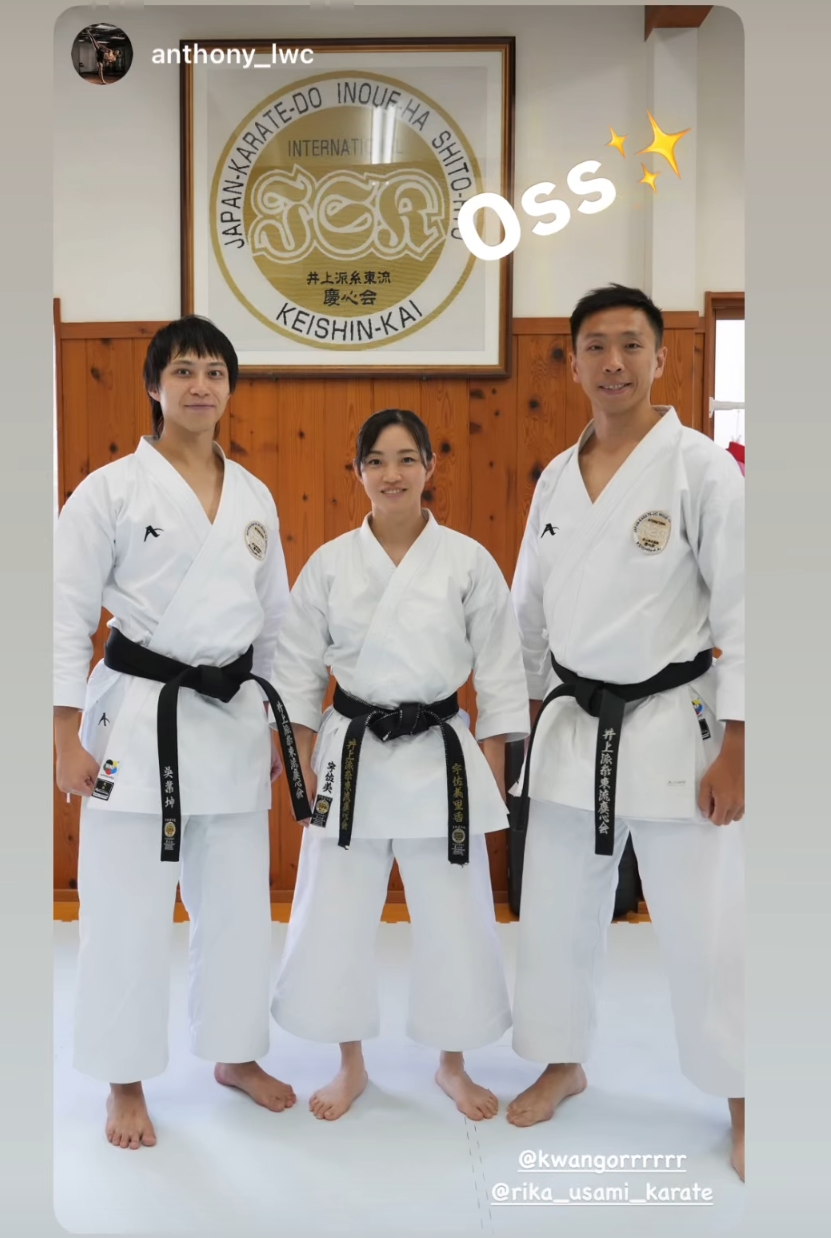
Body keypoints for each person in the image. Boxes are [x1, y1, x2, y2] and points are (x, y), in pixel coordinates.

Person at [507, 285, 745, 1181]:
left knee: (706, 922)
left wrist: (741, 745)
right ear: (572, 362)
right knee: (557, 911)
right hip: (575, 725)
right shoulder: (555, 478)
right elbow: (528, 611)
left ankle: (746, 1094)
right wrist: (523, 717)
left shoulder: (700, 469)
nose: (614, 363)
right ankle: (561, 1059)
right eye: (596, 347)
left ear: (661, 358)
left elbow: (748, 610)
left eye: (631, 345)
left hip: (676, 722)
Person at [53, 315, 308, 1149]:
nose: (201, 386)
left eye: (215, 372)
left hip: (230, 720)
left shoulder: (255, 497)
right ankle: (124, 1079)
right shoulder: (110, 491)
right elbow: (63, 614)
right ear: (154, 387)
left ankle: (234, 1054)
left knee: (235, 904)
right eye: (184, 371)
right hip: (137, 717)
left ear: (230, 387)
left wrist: (276, 721)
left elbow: (275, 621)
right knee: (125, 907)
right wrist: (63, 733)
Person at [268, 410, 530, 1121]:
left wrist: (494, 767)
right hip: (350, 752)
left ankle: (452, 1063)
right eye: (377, 461)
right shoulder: (329, 565)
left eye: (407, 459)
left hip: (441, 752)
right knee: (335, 911)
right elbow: (296, 673)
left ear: (429, 468)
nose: (392, 474)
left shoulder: (467, 561)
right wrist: (299, 764)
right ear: (357, 472)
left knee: (456, 914)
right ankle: (349, 1062)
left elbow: (500, 671)